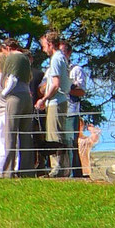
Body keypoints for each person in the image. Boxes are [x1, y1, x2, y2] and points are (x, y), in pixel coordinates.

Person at [35, 30, 70, 177]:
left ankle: (58, 169)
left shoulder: (56, 59)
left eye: (44, 46)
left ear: (50, 44)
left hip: (56, 101)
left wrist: (44, 99)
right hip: (59, 101)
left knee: (55, 136)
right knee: (57, 133)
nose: (43, 49)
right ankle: (63, 168)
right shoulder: (61, 58)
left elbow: (55, 84)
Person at [0, 40, 33, 177]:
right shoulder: (25, 58)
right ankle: (26, 170)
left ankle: (8, 171)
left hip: (15, 98)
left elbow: (12, 79)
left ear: (7, 48)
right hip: (27, 97)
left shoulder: (13, 57)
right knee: (25, 135)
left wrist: (3, 93)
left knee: (10, 135)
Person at [61, 39, 89, 178]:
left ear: (69, 53)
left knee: (71, 141)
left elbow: (82, 91)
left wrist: (66, 87)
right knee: (58, 142)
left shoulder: (76, 70)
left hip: (71, 111)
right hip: (56, 110)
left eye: (63, 52)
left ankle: (74, 173)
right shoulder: (52, 69)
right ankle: (60, 171)